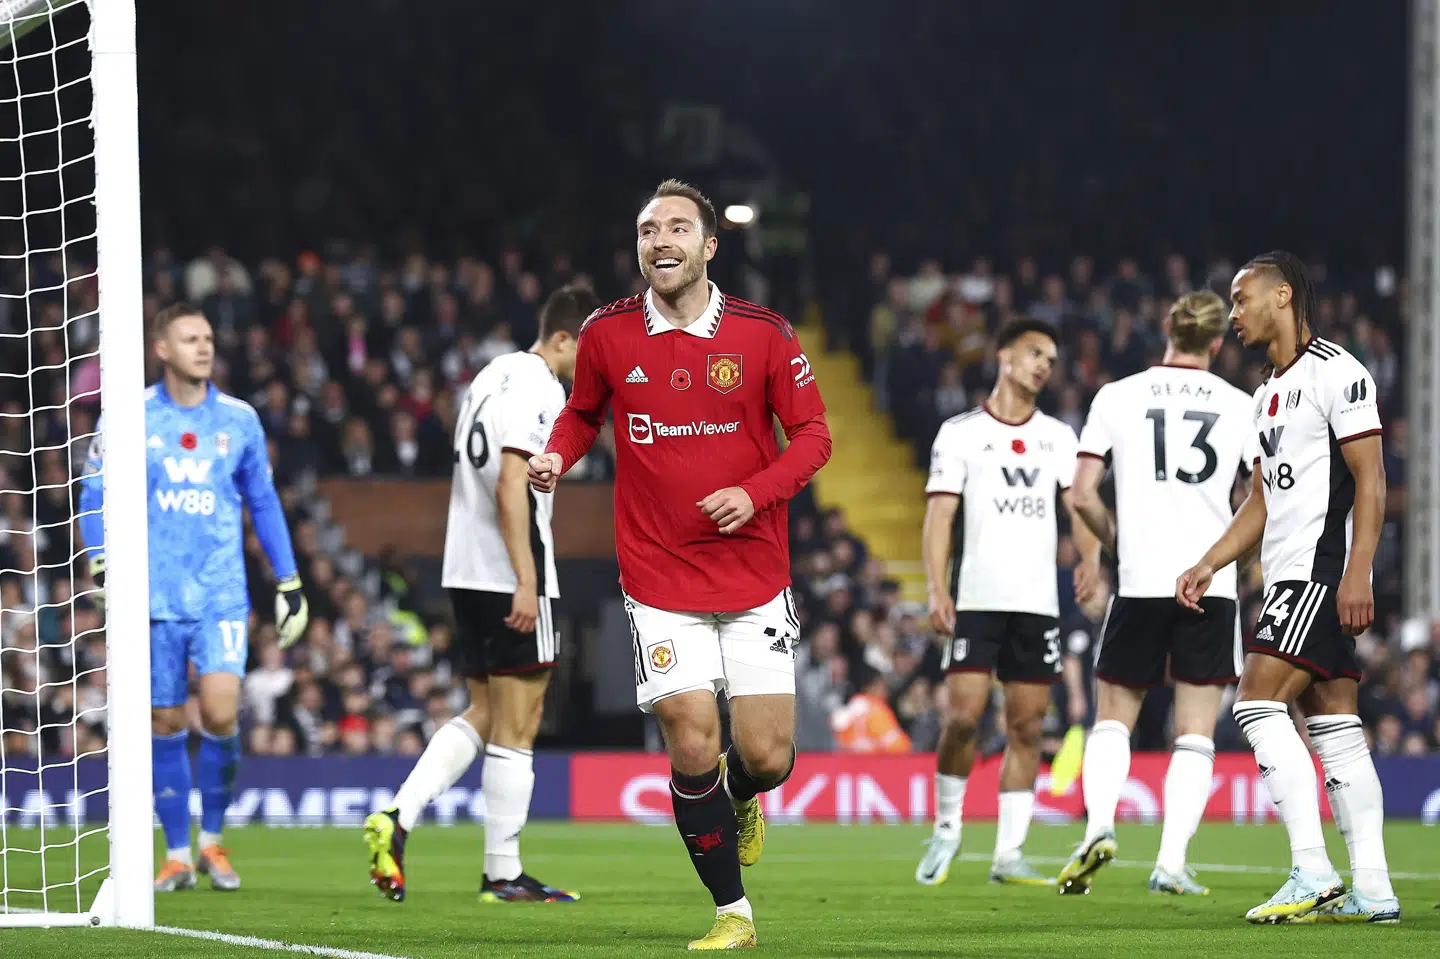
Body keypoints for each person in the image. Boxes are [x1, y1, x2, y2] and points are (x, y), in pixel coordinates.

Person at [528, 179, 831, 950]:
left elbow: (814, 437)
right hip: (659, 577)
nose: (659, 241)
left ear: (708, 246)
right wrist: (558, 456)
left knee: (766, 754)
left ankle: (744, 791)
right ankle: (734, 911)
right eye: (647, 230)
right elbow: (583, 411)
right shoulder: (606, 332)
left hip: (753, 573)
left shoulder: (763, 333)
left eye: (675, 228)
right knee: (691, 736)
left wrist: (754, 492)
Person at [1176, 251, 1399, 924]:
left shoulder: (1338, 371)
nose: (1234, 313)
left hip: (1318, 570)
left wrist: (1358, 568)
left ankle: (1311, 867)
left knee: (1254, 704)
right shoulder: (1264, 395)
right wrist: (1209, 560)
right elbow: (1260, 502)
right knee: (1336, 729)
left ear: (1281, 296)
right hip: (1291, 572)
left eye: (1242, 299)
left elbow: (1371, 478)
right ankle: (1375, 888)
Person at [364, 286, 596, 904]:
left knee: (488, 714)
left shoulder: (491, 373)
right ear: (565, 339)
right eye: (588, 350)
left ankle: (398, 816)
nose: (591, 366)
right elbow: (510, 482)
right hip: (508, 571)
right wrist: (526, 576)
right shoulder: (541, 386)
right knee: (520, 722)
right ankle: (503, 872)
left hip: (463, 567)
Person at [78, 303, 309, 892]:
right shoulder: (128, 417)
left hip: (221, 593)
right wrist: (100, 557)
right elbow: (94, 490)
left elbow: (263, 502)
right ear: (163, 349)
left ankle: (214, 840)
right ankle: (178, 851)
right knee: (164, 718)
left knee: (223, 710)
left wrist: (288, 579)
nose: (204, 347)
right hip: (152, 596)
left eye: (208, 337)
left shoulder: (239, 420)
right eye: (190, 339)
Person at [1056, 290, 1255, 896]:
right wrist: (1233, 557)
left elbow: (1083, 491)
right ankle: (1170, 863)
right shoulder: (1241, 404)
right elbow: (1263, 496)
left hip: (1141, 579)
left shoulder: (1118, 396)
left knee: (1113, 718)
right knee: (1194, 729)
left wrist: (1119, 544)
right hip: (1211, 579)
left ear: (1165, 330)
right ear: (1218, 344)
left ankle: (1097, 829)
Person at [915, 318, 1098, 888]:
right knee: (964, 718)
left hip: (1037, 604)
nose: (1045, 364)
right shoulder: (961, 433)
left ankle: (1008, 854)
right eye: (1035, 353)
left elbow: (1079, 508)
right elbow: (940, 515)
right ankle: (947, 828)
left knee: (1026, 727)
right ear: (1004, 357)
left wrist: (1091, 558)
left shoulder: (1059, 437)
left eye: (1051, 356)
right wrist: (936, 588)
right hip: (977, 599)